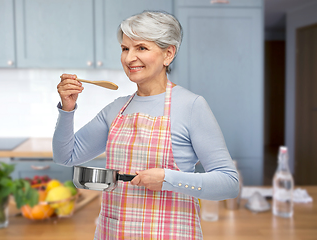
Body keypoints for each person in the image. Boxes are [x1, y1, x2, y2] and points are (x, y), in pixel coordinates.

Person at [53, 11, 239, 239]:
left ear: (168, 54)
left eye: (141, 48)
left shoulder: (191, 106)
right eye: (125, 48)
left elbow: (229, 183)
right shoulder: (116, 109)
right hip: (114, 232)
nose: (129, 58)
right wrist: (67, 109)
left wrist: (168, 179)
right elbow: (65, 156)